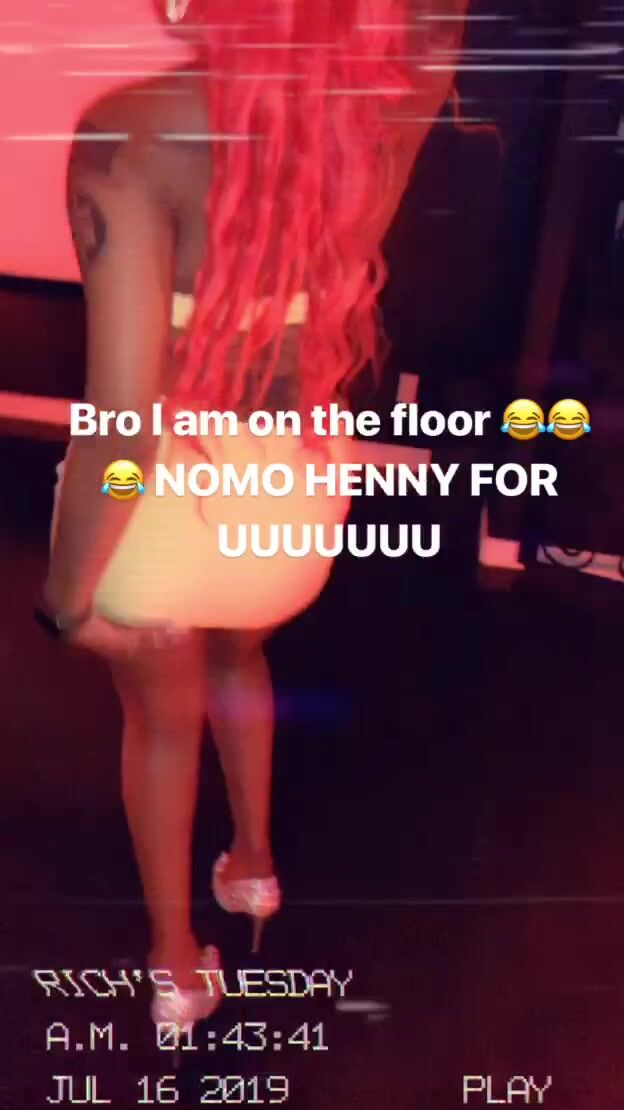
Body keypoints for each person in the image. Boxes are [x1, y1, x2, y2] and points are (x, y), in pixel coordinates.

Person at [35, 0, 466, 1028]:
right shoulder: (392, 99)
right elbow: (440, 19)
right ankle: (254, 866)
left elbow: (125, 436)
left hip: (161, 505)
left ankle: (176, 965)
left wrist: (64, 601)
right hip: (295, 496)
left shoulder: (132, 130)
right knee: (242, 658)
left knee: (160, 724)